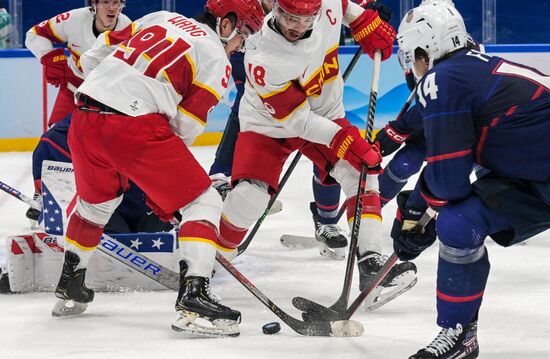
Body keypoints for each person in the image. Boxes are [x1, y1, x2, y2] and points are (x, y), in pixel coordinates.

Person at [50, 0, 265, 339]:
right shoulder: (215, 58)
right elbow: (185, 128)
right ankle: (194, 298)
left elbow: (93, 57)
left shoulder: (161, 17)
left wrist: (116, 91)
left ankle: (70, 283)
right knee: (203, 202)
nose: (241, 45)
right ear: (226, 24)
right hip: (134, 128)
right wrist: (165, 191)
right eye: (244, 34)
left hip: (85, 117)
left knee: (96, 205)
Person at [217, 0, 417, 302]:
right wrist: (345, 140)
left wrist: (364, 22)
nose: (296, 26)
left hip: (324, 114)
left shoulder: (328, 4)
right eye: (289, 17)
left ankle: (371, 263)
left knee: (360, 174)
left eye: (305, 19)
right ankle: (212, 252)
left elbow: (346, 6)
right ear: (278, 11)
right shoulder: (263, 54)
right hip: (268, 125)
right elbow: (297, 120)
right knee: (250, 197)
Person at [391, 1, 550, 357]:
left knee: (453, 215)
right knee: (460, 223)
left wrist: (416, 215)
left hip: (535, 174)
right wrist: (417, 210)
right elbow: (449, 160)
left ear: (425, 49)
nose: (411, 67)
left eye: (410, 56)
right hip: (529, 178)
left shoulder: (442, 78)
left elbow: (448, 181)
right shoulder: (466, 68)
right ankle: (461, 335)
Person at [24, 0, 131, 223]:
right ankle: (42, 194)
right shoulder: (74, 20)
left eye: (117, 3)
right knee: (52, 141)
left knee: (102, 152)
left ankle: (96, 202)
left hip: (105, 100)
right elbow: (34, 34)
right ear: (94, 5)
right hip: (73, 89)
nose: (112, 8)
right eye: (106, 2)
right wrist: (48, 57)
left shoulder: (128, 30)